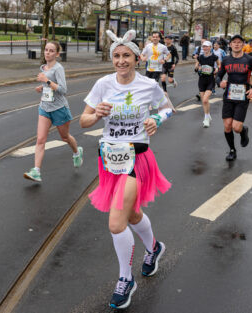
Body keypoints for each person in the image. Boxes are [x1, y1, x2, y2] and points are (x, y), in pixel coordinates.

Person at [80, 29, 171, 310]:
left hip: (137, 158)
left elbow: (167, 108)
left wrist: (157, 119)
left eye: (126, 56)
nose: (121, 61)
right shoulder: (103, 85)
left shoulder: (148, 85)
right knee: (131, 214)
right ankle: (154, 248)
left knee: (116, 222)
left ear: (137, 58)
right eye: (117, 56)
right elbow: (83, 121)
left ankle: (125, 279)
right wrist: (96, 115)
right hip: (109, 160)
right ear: (112, 59)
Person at [23, 41, 83, 182]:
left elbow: (63, 90)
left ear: (57, 54)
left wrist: (47, 81)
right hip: (45, 107)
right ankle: (36, 171)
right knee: (40, 140)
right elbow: (48, 86)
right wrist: (42, 87)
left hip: (59, 109)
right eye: (46, 50)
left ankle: (76, 152)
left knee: (65, 137)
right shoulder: (43, 67)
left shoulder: (58, 69)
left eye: (51, 51)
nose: (47, 53)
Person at [215, 34, 252, 162]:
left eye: (239, 42)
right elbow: (218, 75)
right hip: (229, 95)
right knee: (227, 125)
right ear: (230, 45)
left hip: (243, 96)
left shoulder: (250, 60)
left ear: (243, 45)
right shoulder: (226, 60)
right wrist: (219, 83)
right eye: (234, 42)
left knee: (236, 127)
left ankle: (243, 131)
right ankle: (232, 150)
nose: (236, 44)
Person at [195, 40, 220, 127]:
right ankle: (208, 115)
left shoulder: (214, 57)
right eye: (204, 46)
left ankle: (206, 118)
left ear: (210, 47)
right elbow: (196, 67)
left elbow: (219, 66)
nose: (205, 48)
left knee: (205, 99)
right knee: (204, 101)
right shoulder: (200, 57)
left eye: (206, 46)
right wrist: (198, 68)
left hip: (210, 80)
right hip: (201, 80)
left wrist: (216, 70)